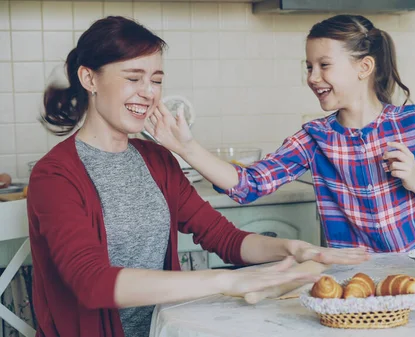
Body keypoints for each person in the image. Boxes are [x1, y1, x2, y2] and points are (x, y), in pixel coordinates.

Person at [27, 16, 369, 337]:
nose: (148, 92)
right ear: (90, 79)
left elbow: (225, 238)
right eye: (133, 78)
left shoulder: (157, 160)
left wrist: (292, 248)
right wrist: (225, 282)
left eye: (156, 80)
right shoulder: (55, 176)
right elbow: (92, 283)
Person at [146, 14, 415, 253]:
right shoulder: (315, 138)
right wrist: (186, 147)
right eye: (308, 67)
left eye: (324, 65)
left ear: (364, 67)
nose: (313, 77)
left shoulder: (413, 123)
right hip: (359, 283)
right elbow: (249, 185)